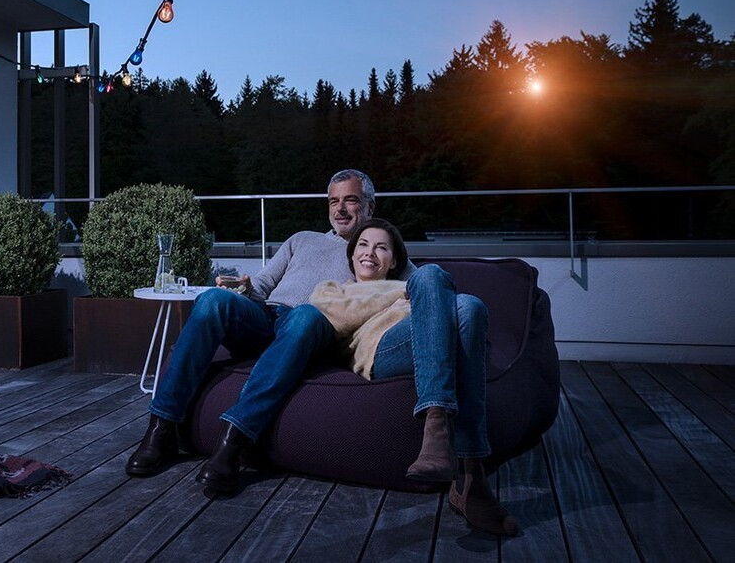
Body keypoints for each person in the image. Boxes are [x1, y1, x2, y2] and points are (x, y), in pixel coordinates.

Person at [125, 169, 412, 494]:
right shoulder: (301, 240)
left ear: (370, 206)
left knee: (305, 314)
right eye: (334, 201)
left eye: (350, 200)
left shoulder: (377, 251)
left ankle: (233, 440)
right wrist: (243, 288)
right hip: (267, 317)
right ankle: (160, 428)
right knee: (213, 300)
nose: (340, 209)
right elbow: (261, 286)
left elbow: (419, 287)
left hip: (312, 329)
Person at [309, 218, 519, 537]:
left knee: (471, 307)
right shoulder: (333, 289)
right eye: (363, 245)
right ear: (351, 255)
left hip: (426, 343)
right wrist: (408, 292)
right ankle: (461, 463)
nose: (369, 253)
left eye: (381, 247)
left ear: (394, 261)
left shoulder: (415, 289)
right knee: (431, 275)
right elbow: (337, 316)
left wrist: (419, 294)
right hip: (378, 350)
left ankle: (461, 466)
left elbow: (439, 318)